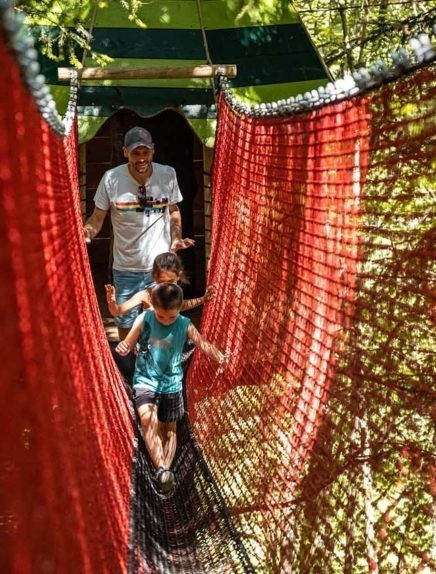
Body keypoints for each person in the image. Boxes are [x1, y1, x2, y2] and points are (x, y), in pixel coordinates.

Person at [83, 126, 195, 340]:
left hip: (160, 267)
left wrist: (176, 238)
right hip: (126, 267)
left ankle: (155, 367)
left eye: (146, 152)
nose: (141, 158)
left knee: (163, 317)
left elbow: (173, 211)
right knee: (125, 323)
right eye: (136, 153)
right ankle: (131, 366)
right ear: (125, 152)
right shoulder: (111, 179)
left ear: (153, 150)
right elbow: (97, 217)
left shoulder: (167, 174)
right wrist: (87, 232)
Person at [116, 283, 226, 493]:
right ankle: (161, 469)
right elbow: (128, 343)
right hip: (145, 380)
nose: (166, 321)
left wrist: (220, 357)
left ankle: (165, 471)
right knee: (148, 420)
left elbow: (202, 344)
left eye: (171, 317)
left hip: (171, 384)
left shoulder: (185, 324)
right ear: (153, 307)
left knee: (169, 430)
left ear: (179, 311)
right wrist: (124, 347)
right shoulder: (144, 318)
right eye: (161, 317)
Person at [105, 251, 216, 317]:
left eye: (171, 282)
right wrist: (112, 302)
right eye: (162, 282)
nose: (167, 287)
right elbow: (117, 312)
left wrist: (203, 299)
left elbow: (182, 305)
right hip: (150, 347)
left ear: (178, 276)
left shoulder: (175, 293)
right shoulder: (145, 295)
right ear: (154, 276)